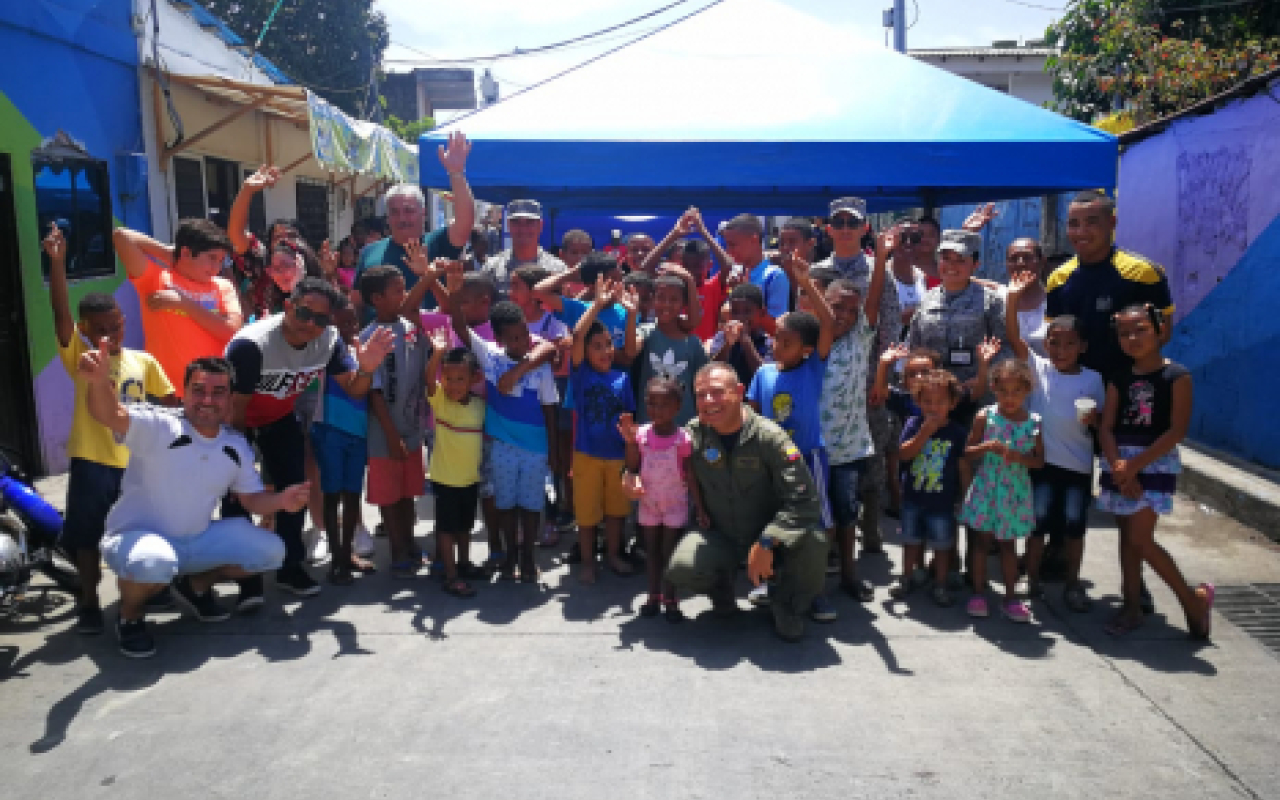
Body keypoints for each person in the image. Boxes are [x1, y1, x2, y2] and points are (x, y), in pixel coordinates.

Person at [82, 351, 307, 658]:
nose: (207, 400)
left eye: (218, 392)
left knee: (272, 551)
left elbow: (252, 499)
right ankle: (131, 617)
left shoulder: (235, 444)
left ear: (230, 400)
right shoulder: (158, 425)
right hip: (135, 537)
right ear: (184, 392)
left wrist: (281, 501)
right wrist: (97, 383)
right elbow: (110, 414)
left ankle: (196, 585)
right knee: (153, 564)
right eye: (198, 390)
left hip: (195, 539)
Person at [224, 278, 393, 606]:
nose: (311, 324)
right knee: (237, 496)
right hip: (237, 422)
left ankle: (290, 568)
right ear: (288, 307)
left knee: (295, 492)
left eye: (321, 319)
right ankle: (246, 580)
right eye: (304, 314)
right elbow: (236, 411)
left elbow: (354, 388)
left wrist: (368, 368)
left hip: (279, 418)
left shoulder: (328, 340)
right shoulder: (252, 345)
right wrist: (241, 462)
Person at [43, 224, 176, 634]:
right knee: (86, 535)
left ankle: (146, 587)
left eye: (116, 325)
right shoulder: (81, 357)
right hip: (92, 460)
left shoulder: (143, 361)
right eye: (101, 329)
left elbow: (172, 402)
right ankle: (88, 599)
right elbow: (60, 316)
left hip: (136, 462)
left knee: (140, 526)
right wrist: (57, 264)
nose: (111, 334)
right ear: (85, 330)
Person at [637, 363, 828, 643]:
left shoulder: (770, 438)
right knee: (681, 567)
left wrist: (768, 540)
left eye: (717, 393)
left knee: (814, 542)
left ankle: (785, 604)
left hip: (769, 538)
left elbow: (805, 502)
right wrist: (629, 476)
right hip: (723, 534)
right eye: (701, 395)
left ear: (739, 392)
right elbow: (653, 457)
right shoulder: (695, 435)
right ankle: (721, 589)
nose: (708, 402)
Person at [1096, 304, 1214, 638]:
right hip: (1119, 462)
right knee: (1126, 538)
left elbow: (1177, 430)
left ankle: (1192, 599)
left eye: (1140, 329)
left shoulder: (1177, 376)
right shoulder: (1118, 377)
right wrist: (1119, 465)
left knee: (1140, 538)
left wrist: (1134, 467)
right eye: (1124, 333)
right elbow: (1107, 426)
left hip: (1153, 463)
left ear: (1160, 330)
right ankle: (1131, 605)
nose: (1132, 338)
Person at [744, 254, 844, 620]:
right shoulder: (764, 374)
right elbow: (751, 413)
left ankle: (815, 591)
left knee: (816, 523)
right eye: (774, 338)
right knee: (772, 521)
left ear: (804, 348)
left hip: (808, 457)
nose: (776, 345)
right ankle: (769, 583)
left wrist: (807, 285)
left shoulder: (814, 367)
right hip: (770, 461)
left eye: (785, 341)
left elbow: (828, 324)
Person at [448, 267, 559, 583]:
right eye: (513, 337)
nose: (522, 341)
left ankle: (528, 558)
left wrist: (553, 451)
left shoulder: (538, 364)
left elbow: (549, 409)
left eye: (524, 334)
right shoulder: (490, 355)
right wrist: (454, 293)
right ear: (497, 338)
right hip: (502, 446)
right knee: (506, 504)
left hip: (536, 448)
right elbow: (459, 325)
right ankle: (510, 556)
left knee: (531, 505)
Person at [1004, 271, 1105, 610]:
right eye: (1055, 342)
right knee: (1037, 526)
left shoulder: (1093, 381)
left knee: (1074, 528)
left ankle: (1073, 584)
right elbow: (1015, 336)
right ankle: (1030, 580)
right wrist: (1014, 299)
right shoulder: (1038, 369)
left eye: (1070, 343)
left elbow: (1103, 424)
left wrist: (1095, 421)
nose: (1061, 350)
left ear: (1083, 347)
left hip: (1077, 468)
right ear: (1045, 344)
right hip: (1042, 465)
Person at [815, 198, 902, 554]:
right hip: (830, 379)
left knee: (873, 454)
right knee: (832, 458)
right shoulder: (819, 270)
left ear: (865, 228)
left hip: (868, 379)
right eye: (840, 222)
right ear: (829, 228)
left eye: (854, 223)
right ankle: (834, 529)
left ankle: (869, 528)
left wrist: (882, 378)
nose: (847, 229)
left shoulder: (879, 269)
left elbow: (891, 324)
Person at [818, 228, 891, 603]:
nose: (845, 314)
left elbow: (875, 296)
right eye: (837, 307)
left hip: (848, 448)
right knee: (817, 516)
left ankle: (849, 574)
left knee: (848, 513)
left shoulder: (862, 336)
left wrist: (880, 256)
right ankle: (814, 582)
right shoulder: (815, 341)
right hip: (815, 448)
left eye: (852, 308)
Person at [1047, 190, 1175, 381]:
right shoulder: (1057, 279)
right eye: (1073, 224)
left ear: (1111, 223)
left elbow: (1163, 334)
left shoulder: (1144, 273)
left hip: (1131, 388)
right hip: (1078, 394)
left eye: (1091, 222)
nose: (1081, 232)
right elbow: (1056, 339)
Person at [358, 265, 433, 579]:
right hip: (383, 432)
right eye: (398, 290)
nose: (404, 296)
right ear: (377, 298)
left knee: (408, 491)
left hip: (412, 425)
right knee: (389, 495)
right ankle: (399, 551)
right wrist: (391, 436)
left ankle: (411, 544)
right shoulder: (370, 338)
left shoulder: (412, 327)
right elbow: (373, 394)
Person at [112, 220, 243, 392]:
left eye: (220, 261)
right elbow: (120, 236)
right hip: (165, 392)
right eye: (212, 258)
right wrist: (167, 253)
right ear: (186, 253)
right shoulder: (155, 279)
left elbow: (231, 330)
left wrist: (183, 303)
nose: (216, 267)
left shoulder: (223, 286)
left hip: (211, 392)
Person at [959, 359, 1045, 622]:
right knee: (981, 543)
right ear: (994, 389)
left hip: (1014, 492)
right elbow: (966, 451)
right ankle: (977, 593)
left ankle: (1010, 597)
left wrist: (1019, 457)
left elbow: (1039, 461)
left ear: (1027, 391)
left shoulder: (1033, 422)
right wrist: (986, 447)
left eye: (1016, 392)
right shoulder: (986, 416)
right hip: (986, 488)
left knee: (1008, 546)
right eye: (1004, 391)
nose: (1010, 398)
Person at [354, 131, 475, 313]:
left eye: (409, 211)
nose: (402, 218)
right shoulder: (369, 252)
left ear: (423, 213)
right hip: (379, 339)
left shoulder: (438, 242)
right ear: (387, 217)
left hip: (430, 339)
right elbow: (357, 302)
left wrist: (456, 173)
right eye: (395, 212)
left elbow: (465, 221)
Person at [566, 278, 638, 584]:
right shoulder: (580, 373)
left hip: (615, 455)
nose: (605, 351)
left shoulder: (623, 378)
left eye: (608, 344)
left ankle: (612, 555)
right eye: (597, 346)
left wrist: (629, 436)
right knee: (586, 515)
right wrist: (596, 304)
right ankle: (587, 562)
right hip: (587, 455)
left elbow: (629, 417)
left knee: (615, 513)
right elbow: (577, 335)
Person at [889, 369, 969, 606]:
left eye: (940, 402)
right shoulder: (914, 425)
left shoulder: (957, 432)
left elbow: (963, 467)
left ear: (953, 404)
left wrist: (965, 497)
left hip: (942, 502)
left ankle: (941, 584)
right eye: (927, 402)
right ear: (918, 402)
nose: (933, 407)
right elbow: (903, 454)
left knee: (943, 545)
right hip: (913, 498)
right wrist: (923, 434)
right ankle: (906, 577)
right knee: (911, 541)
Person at [309, 301, 374, 585]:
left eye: (353, 323)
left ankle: (346, 554)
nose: (348, 329)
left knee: (352, 496)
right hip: (329, 433)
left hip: (357, 435)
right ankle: (336, 558)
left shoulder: (364, 354)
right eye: (341, 323)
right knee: (332, 495)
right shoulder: (323, 353)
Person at [618, 379, 691, 622]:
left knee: (669, 552)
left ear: (677, 407)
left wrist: (700, 506)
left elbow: (689, 474)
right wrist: (629, 442)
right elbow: (632, 465)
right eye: (652, 404)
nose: (656, 410)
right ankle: (653, 595)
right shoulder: (640, 435)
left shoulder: (683, 439)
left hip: (675, 504)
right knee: (651, 552)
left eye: (664, 405)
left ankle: (671, 598)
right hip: (648, 504)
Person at [424, 328, 487, 598]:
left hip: (470, 479)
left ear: (474, 379)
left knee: (465, 526)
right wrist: (437, 353)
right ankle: (450, 575)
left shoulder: (480, 406)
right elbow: (428, 380)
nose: (453, 385)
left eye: (461, 378)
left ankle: (463, 563)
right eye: (448, 378)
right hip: (445, 478)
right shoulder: (440, 401)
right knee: (446, 528)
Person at [626, 266, 708, 426]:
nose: (666, 304)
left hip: (685, 426)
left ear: (684, 303)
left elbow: (702, 384)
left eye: (674, 299)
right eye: (661, 298)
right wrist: (632, 314)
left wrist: (689, 279)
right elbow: (630, 351)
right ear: (652, 300)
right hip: (649, 427)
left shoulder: (693, 343)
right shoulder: (646, 331)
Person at [480, 199, 567, 295]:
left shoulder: (558, 269)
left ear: (540, 225)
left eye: (530, 222)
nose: (523, 228)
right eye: (516, 222)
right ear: (508, 225)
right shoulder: (492, 268)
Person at [721, 213, 789, 318]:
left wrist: (746, 293)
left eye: (733, 245)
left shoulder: (775, 276)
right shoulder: (735, 272)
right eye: (727, 245)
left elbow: (776, 327)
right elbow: (724, 315)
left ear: (754, 240)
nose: (728, 251)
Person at [708, 283, 773, 386]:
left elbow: (765, 376)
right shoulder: (722, 337)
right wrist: (728, 345)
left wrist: (746, 341)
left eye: (747, 311)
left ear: (762, 313)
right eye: (735, 312)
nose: (740, 317)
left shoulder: (768, 342)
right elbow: (713, 369)